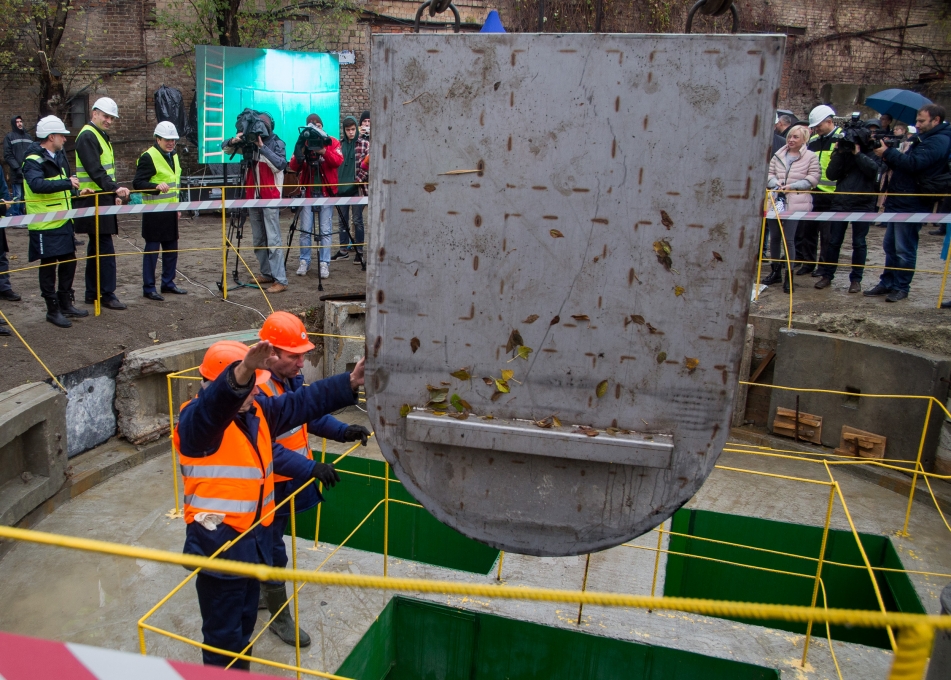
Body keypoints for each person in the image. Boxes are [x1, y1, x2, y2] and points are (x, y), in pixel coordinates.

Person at [174, 339, 363, 668]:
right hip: (220, 549)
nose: (256, 393)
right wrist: (243, 371)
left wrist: (349, 382)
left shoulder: (256, 410)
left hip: (251, 544)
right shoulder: (195, 424)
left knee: (244, 628)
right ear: (219, 385)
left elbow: (303, 402)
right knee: (224, 639)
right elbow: (213, 408)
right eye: (248, 387)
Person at [255, 311, 370, 646]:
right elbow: (268, 450)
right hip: (265, 488)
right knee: (273, 550)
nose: (302, 363)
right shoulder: (258, 391)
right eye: (295, 356)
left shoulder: (284, 380)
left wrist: (343, 431)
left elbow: (307, 416)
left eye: (304, 355)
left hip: (284, 482)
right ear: (270, 353)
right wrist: (311, 468)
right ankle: (279, 617)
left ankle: (262, 591)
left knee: (269, 546)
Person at [866, 104, 951, 302]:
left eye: (922, 121)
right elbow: (906, 162)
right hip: (900, 198)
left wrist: (888, 153)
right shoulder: (923, 139)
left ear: (936, 120)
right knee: (890, 245)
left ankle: (901, 286)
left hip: (914, 201)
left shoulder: (939, 140)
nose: (917, 125)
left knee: (904, 247)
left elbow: (915, 165)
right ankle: (887, 282)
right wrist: (890, 153)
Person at [21, 116, 90, 327]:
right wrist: (67, 184)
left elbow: (62, 187)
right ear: (51, 137)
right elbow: (37, 185)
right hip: (44, 223)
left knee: (69, 261)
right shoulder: (32, 159)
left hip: (62, 221)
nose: (65, 139)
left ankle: (65, 302)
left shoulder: (58, 156)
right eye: (62, 135)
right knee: (49, 265)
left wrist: (76, 191)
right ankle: (52, 309)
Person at [73, 97, 130, 310]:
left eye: (112, 118)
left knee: (97, 247)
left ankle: (93, 292)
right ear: (94, 113)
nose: (109, 121)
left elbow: (100, 170)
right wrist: (114, 188)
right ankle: (106, 293)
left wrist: (111, 192)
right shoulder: (89, 136)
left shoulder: (96, 135)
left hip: (98, 198)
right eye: (106, 116)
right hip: (93, 198)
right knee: (104, 248)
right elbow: (95, 170)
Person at [222, 112, 288, 293]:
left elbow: (280, 164)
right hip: (253, 197)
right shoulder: (248, 144)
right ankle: (266, 273)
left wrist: (262, 148)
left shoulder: (277, 143)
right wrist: (235, 141)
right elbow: (225, 149)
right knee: (258, 238)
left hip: (270, 197)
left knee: (273, 240)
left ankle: (280, 280)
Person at [813, 127, 884, 293]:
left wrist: (857, 154)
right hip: (841, 201)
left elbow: (873, 171)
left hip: (863, 202)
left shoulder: (872, 153)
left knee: (859, 242)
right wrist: (838, 152)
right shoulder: (842, 154)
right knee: (834, 240)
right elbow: (831, 175)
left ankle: (856, 279)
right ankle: (827, 275)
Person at [764, 125, 820, 293]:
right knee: (774, 238)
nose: (791, 140)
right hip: (776, 200)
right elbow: (769, 173)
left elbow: (813, 178)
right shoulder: (778, 155)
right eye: (790, 136)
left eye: (795, 137)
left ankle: (789, 275)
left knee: (789, 239)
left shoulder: (811, 157)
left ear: (803, 139)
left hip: (795, 201)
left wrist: (793, 186)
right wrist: (775, 183)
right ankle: (775, 271)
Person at [133, 122, 186, 301]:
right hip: (154, 212)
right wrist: (155, 186)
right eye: (167, 140)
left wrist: (177, 207)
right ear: (158, 139)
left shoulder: (174, 155)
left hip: (170, 211)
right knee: (152, 252)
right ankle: (149, 287)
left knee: (171, 250)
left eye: (173, 140)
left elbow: (175, 183)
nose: (171, 143)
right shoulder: (148, 157)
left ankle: (168, 283)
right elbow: (138, 183)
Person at [288, 114, 341, 280]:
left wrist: (323, 151)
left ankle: (324, 263)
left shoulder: (331, 141)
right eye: (312, 125)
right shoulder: (303, 142)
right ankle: (304, 260)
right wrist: (301, 151)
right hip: (308, 191)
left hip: (326, 191)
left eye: (318, 125)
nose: (316, 128)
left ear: (322, 126)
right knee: (305, 229)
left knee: (325, 230)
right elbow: (293, 165)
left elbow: (338, 161)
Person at [795, 105, 841, 277]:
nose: (816, 129)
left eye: (818, 126)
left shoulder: (840, 139)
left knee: (827, 235)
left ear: (829, 122)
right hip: (813, 193)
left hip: (832, 194)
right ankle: (808, 263)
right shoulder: (814, 141)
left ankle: (824, 266)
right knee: (808, 231)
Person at [331, 116, 366, 265]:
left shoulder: (364, 144)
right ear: (344, 131)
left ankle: (359, 251)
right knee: (342, 220)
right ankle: (343, 250)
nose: (351, 132)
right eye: (348, 130)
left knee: (357, 220)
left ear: (356, 129)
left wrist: (357, 180)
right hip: (341, 189)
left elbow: (367, 166)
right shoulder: (339, 145)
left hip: (356, 188)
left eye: (353, 129)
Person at [3, 115, 32, 217]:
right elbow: (8, 155)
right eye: (17, 122)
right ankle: (16, 216)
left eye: (20, 121)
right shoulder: (9, 137)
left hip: (28, 172)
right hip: (16, 173)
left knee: (26, 196)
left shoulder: (28, 137)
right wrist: (17, 168)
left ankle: (23, 217)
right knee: (18, 196)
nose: (20, 123)